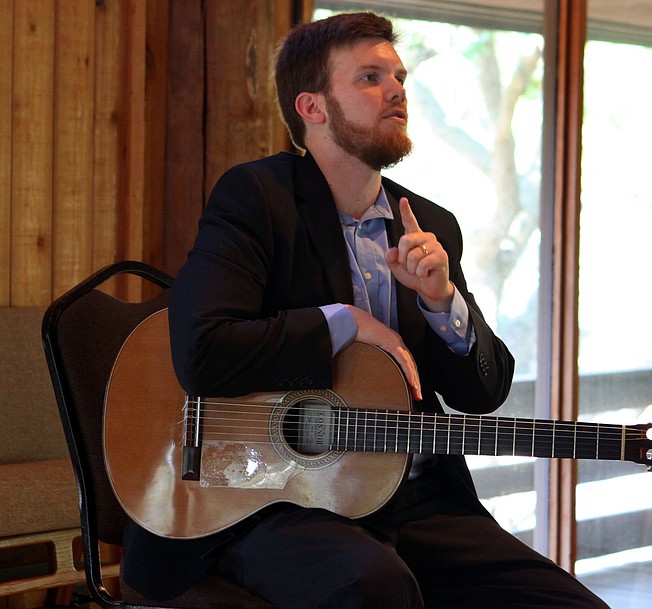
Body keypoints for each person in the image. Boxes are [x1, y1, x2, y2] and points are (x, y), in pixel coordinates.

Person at [122, 11, 609, 609]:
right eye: (370, 77)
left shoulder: (430, 226)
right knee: (374, 585)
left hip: (418, 499)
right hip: (271, 498)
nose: (398, 89)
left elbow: (486, 392)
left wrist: (441, 302)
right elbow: (201, 352)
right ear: (313, 107)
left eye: (399, 76)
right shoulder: (257, 197)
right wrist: (345, 323)